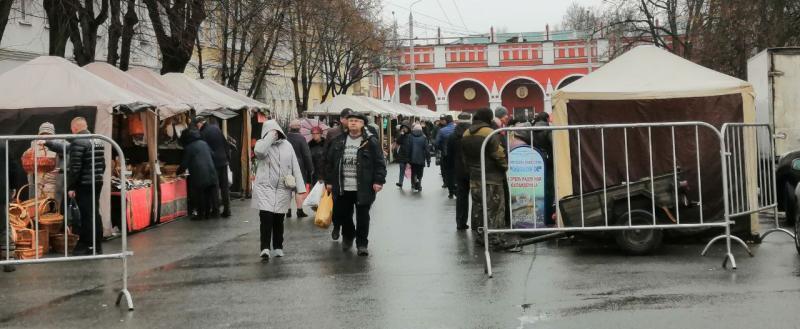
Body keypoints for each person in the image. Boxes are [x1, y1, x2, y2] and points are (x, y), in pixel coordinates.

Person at [324, 112, 386, 256]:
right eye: (351, 120)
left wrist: (378, 181)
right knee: (343, 215)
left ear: (363, 124)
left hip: (363, 186)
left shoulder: (370, 141)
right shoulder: (338, 140)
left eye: (356, 121)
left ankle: (362, 244)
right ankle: (348, 235)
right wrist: (329, 181)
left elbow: (379, 163)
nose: (353, 123)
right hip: (342, 185)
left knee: (363, 217)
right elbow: (329, 162)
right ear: (346, 123)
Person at [252, 120, 306, 260]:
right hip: (265, 188)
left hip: (283, 188)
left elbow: (295, 166)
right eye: (272, 131)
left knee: (278, 220)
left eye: (276, 131)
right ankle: (264, 248)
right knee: (266, 218)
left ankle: (278, 247)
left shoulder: (287, 145)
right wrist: (269, 138)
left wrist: (300, 188)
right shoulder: (262, 144)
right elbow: (259, 153)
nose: (275, 134)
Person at [461, 108, 509, 249]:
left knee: (478, 208)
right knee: (494, 209)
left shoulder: (466, 133)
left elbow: (464, 157)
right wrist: (505, 166)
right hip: (492, 177)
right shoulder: (489, 133)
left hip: (475, 177)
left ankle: (481, 235)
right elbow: (498, 154)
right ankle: (495, 238)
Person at [65, 117, 106, 255]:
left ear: (74, 128)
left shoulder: (77, 141)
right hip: (97, 181)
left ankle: (89, 245)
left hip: (84, 184)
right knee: (95, 213)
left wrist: (71, 187)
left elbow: (75, 167)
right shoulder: (97, 139)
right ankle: (97, 244)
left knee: (87, 215)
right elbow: (103, 164)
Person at [323, 108, 353, 241]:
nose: (351, 121)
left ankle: (347, 232)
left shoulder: (356, 133)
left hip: (350, 177)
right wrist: (326, 179)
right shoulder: (332, 133)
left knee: (349, 207)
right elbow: (326, 156)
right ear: (342, 119)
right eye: (348, 118)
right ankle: (336, 226)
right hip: (335, 176)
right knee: (336, 205)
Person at [178, 128, 218, 221]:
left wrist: (177, 172)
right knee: (208, 195)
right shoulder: (204, 143)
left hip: (199, 175)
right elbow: (213, 154)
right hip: (211, 172)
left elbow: (184, 164)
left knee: (199, 195)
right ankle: (207, 214)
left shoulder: (189, 147)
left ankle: (200, 215)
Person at [197, 117, 231, 218]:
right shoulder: (216, 129)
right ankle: (227, 210)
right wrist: (227, 158)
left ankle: (215, 211)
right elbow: (226, 144)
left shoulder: (203, 134)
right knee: (224, 187)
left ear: (200, 124)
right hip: (223, 161)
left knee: (214, 187)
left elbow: (205, 150)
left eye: (197, 125)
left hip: (213, 163)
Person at [447, 112, 472, 230]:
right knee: (477, 197)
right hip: (473, 168)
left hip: (459, 170)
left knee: (462, 197)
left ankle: (460, 222)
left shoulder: (452, 136)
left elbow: (449, 155)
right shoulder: (473, 133)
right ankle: (477, 224)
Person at [285, 120, 314, 218]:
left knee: (288, 188)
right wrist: (310, 168)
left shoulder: (285, 137)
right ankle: (299, 210)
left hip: (286, 166)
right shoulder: (301, 138)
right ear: (299, 128)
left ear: (290, 127)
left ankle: (288, 211)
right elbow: (306, 154)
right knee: (298, 189)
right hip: (299, 166)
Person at [405, 123, 430, 192]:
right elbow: (427, 150)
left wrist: (407, 159)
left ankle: (414, 183)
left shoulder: (410, 136)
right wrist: (428, 160)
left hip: (412, 159)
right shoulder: (424, 137)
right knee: (420, 172)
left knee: (413, 172)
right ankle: (419, 183)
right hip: (421, 159)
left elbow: (408, 148)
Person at [435, 115, 456, 195]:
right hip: (457, 154)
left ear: (446, 121)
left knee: (448, 171)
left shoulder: (442, 130)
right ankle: (456, 186)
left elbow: (437, 143)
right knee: (456, 171)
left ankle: (450, 190)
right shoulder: (457, 129)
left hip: (446, 154)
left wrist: (440, 148)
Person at [393, 121, 411, 188]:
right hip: (402, 155)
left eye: (405, 127)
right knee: (401, 169)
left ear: (408, 128)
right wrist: (401, 135)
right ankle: (400, 182)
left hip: (409, 155)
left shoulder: (411, 136)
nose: (404, 129)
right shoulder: (402, 136)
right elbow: (397, 142)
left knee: (411, 170)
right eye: (403, 128)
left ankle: (414, 183)